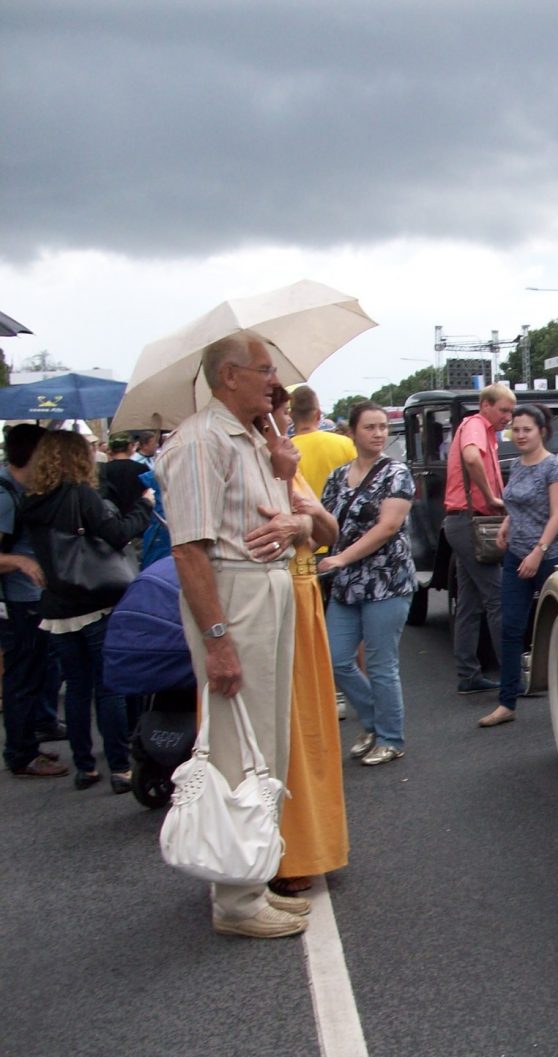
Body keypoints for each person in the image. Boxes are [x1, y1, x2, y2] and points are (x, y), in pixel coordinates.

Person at [156, 330, 311, 940]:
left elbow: (284, 523)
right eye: (264, 369)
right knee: (236, 745)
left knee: (264, 740)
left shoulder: (254, 439)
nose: (275, 381)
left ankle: (252, 876)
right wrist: (217, 640)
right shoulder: (200, 442)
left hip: (262, 587)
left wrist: (283, 475)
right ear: (228, 376)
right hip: (234, 593)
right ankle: (237, 899)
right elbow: (189, 550)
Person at [21, 430, 155, 792]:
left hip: (57, 606)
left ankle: (85, 766)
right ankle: (119, 767)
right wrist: (145, 505)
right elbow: (118, 533)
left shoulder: (32, 501)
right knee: (108, 688)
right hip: (95, 601)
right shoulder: (81, 495)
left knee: (77, 689)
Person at [261, 387, 347, 893]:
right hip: (268, 601)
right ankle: (273, 855)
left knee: (307, 728)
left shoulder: (287, 467)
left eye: (282, 417)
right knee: (277, 732)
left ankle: (306, 847)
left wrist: (304, 516)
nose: (281, 426)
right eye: (272, 417)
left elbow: (329, 531)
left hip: (301, 592)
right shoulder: (240, 461)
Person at [319, 401, 417, 766]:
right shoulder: (337, 476)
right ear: (352, 432)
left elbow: (388, 526)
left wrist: (342, 557)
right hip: (346, 584)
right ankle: (375, 721)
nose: (378, 434)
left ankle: (390, 738)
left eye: (382, 427)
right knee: (336, 658)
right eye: (369, 427)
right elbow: (326, 524)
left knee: (380, 664)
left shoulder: (397, 473)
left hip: (386, 581)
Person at [479, 403, 558, 729]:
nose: (520, 435)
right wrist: (507, 523)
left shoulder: (555, 467)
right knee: (511, 628)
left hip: (548, 556)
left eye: (526, 430)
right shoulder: (517, 464)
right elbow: (516, 503)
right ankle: (507, 702)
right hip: (516, 555)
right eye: (515, 429)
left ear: (541, 431)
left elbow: (557, 514)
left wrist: (538, 552)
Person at [0, 424, 69, 779]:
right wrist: (20, 562)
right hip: (18, 602)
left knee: (35, 673)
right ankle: (21, 754)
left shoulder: (19, 489)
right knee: (22, 678)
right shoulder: (4, 496)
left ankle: (31, 738)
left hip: (30, 599)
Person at [442, 383, 515, 695]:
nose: (508, 417)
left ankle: (468, 674)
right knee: (498, 597)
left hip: (463, 521)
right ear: (485, 405)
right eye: (504, 410)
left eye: (511, 412)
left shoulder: (483, 430)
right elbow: (471, 458)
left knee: (469, 604)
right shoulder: (475, 425)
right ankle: (512, 676)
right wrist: (491, 497)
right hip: (469, 521)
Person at [289, 385, 355, 498]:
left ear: (291, 416)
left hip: (303, 509)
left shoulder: (286, 453)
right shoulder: (345, 444)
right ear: (318, 414)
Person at [99, 433, 151, 512]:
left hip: (111, 513)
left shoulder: (102, 469)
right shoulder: (142, 468)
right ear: (130, 446)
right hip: (137, 512)